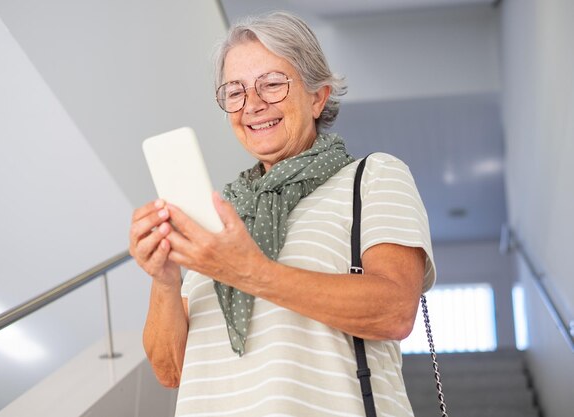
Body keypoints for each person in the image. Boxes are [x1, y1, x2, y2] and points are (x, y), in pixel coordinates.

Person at [129, 11, 435, 417]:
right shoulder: (218, 220)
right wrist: (165, 281)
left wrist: (249, 272)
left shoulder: (372, 177)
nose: (252, 105)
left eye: (272, 84)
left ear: (317, 96)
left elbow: (395, 310)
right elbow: (171, 371)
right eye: (235, 91)